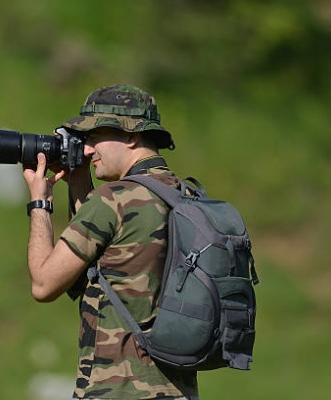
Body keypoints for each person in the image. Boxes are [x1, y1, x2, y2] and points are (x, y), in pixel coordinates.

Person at [22, 84, 199, 400]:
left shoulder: (115, 200)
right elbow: (98, 273)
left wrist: (40, 203)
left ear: (131, 135)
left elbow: (44, 284)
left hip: (117, 391)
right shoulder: (185, 197)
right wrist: (78, 181)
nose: (88, 150)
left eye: (94, 137)